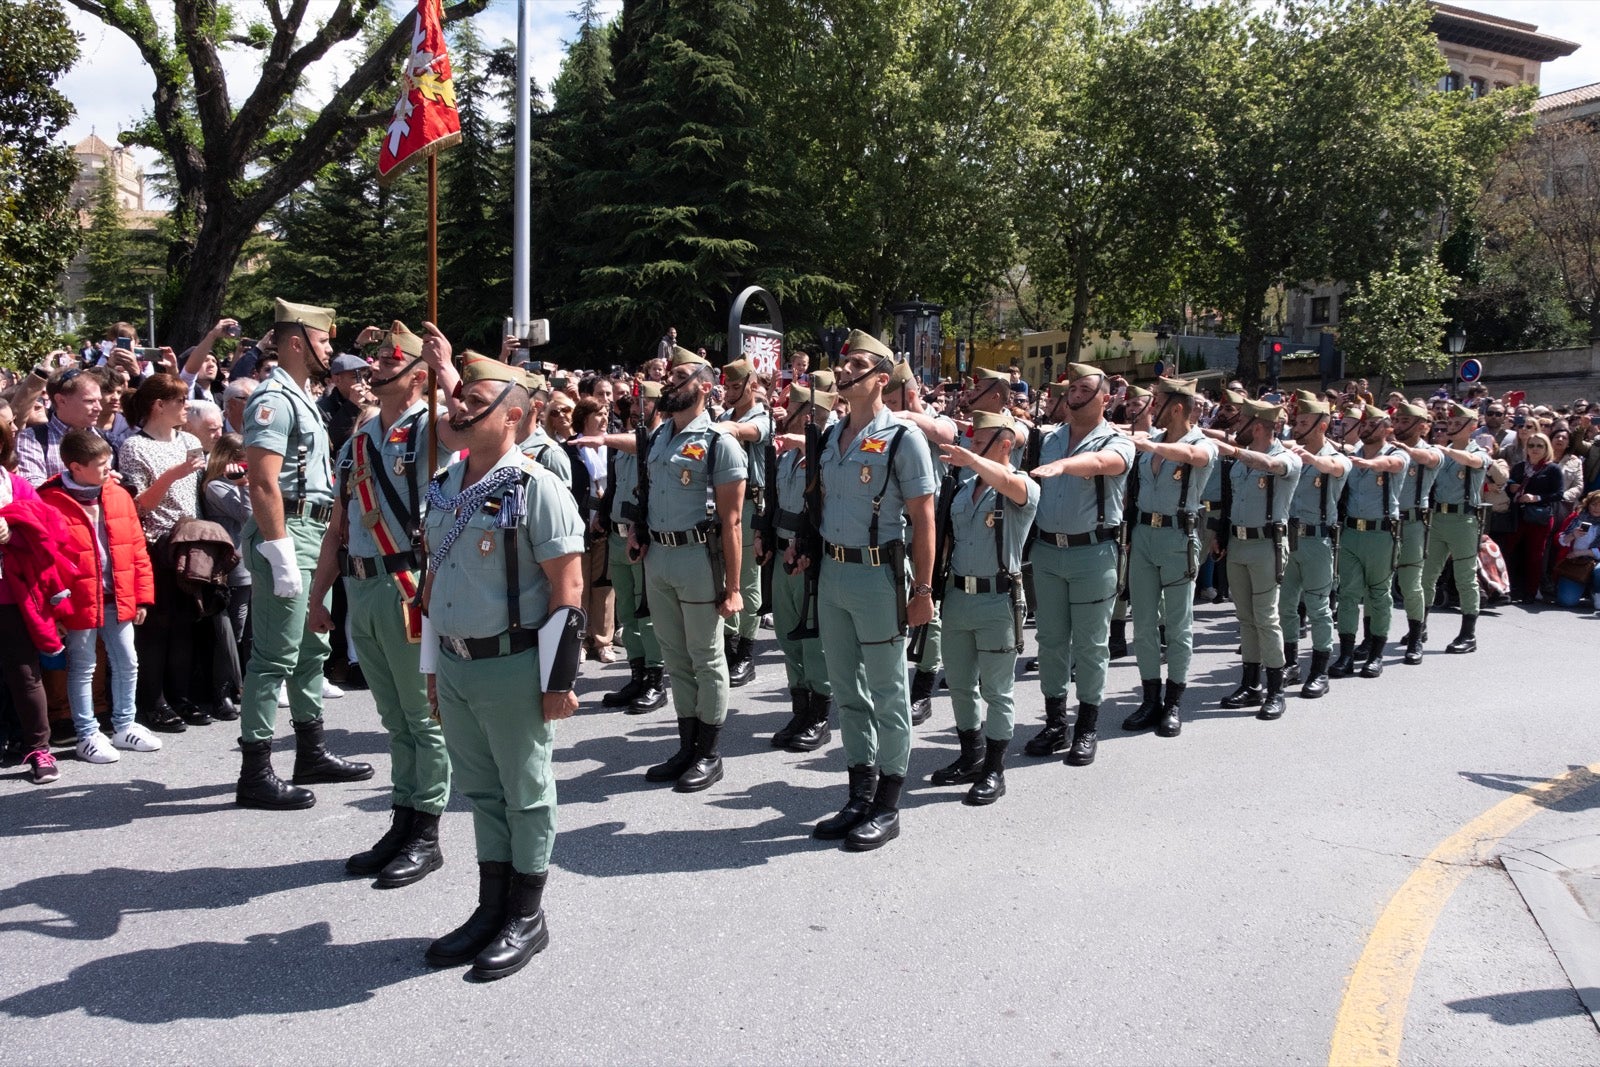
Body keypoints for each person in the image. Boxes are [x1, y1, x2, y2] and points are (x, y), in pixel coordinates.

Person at [418, 355, 585, 982]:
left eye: (474, 400)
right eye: (458, 398)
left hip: (514, 665)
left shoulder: (537, 487)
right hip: (459, 665)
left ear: (512, 416)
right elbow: (434, 583)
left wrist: (559, 682)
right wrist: (434, 669)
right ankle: (490, 907)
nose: (457, 407)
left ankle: (527, 914)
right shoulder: (448, 482)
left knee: (526, 793)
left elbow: (568, 591)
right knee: (482, 792)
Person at [309, 321, 457, 886]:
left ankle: (427, 830)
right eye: (377, 359)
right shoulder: (358, 439)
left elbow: (471, 430)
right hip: (362, 588)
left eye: (392, 361)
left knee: (424, 720)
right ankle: (402, 819)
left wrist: (447, 368)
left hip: (407, 588)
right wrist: (318, 594)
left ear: (416, 376)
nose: (375, 366)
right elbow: (338, 528)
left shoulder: (431, 429)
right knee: (394, 718)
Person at [791, 332, 936, 851]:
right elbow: (822, 505)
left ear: (881, 378)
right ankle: (859, 793)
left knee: (889, 693)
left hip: (879, 576)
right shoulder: (829, 436)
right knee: (847, 691)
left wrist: (923, 590)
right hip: (833, 574)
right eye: (843, 361)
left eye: (856, 363)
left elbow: (924, 520)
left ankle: (889, 803)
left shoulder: (903, 438)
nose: (844, 369)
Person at [236, 298, 373, 810]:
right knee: (274, 656)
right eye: (322, 341)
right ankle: (255, 771)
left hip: (313, 530)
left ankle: (310, 751)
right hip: (288, 529)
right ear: (297, 342)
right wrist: (278, 551)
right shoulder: (272, 397)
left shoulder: (300, 396)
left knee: (313, 647)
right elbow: (263, 481)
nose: (329, 349)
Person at [630, 348, 745, 793]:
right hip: (659, 556)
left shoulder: (720, 443)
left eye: (679, 376)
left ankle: (710, 753)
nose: (669, 383)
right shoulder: (659, 437)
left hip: (698, 558)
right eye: (668, 375)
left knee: (706, 657)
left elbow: (732, 521)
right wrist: (639, 532)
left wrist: (733, 587)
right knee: (675, 657)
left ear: (704, 386)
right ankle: (686, 746)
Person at [1020, 366, 1134, 765]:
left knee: (1090, 644)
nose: (1075, 394)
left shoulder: (1118, 440)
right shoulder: (1047, 439)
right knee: (1050, 641)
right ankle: (1055, 723)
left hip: (1093, 552)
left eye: (1085, 388)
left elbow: (1108, 463)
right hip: (1048, 551)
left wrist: (1067, 465)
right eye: (1072, 388)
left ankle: (1086, 728)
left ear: (1106, 398)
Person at [930, 409, 1038, 804]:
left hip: (998, 599)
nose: (969, 448)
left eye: (978, 441)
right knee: (959, 684)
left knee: (997, 690)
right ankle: (970, 756)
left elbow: (1011, 484)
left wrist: (972, 460)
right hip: (959, 596)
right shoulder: (962, 487)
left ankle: (995, 769)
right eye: (971, 441)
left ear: (1004, 445)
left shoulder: (1021, 484)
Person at [39, 429, 160, 764]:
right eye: (101, 464)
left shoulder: (118, 494)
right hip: (76, 600)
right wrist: (56, 610)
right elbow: (45, 562)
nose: (109, 468)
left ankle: (124, 725)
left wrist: (142, 595)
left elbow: (137, 547)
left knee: (127, 661)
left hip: (118, 596)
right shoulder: (48, 499)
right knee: (83, 666)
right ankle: (88, 733)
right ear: (76, 467)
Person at [1122, 377, 1216, 739]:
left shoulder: (1201, 443)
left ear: (1176, 407)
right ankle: (1150, 698)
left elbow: (1195, 458)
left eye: (1157, 401)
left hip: (1179, 535)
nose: (1150, 407)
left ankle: (1174, 701)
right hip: (1144, 534)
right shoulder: (1155, 441)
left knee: (1177, 624)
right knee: (1143, 622)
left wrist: (1149, 445)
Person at [119, 374, 210, 730]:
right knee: (158, 628)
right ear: (160, 405)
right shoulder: (134, 447)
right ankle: (153, 702)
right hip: (156, 544)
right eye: (181, 401)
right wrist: (174, 473)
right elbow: (139, 505)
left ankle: (181, 697)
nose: (186, 406)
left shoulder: (189, 439)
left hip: (193, 542)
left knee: (186, 625)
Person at [1213, 400, 1303, 721]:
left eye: (1244, 422)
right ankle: (1250, 684)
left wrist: (1235, 452)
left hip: (1267, 544)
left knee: (1267, 618)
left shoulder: (1286, 458)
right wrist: (1221, 536)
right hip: (1239, 544)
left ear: (1260, 426)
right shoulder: (1238, 465)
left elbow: (1272, 466)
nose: (1237, 427)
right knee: (1246, 618)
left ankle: (1276, 690)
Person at [0, 416, 76, 785]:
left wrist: (13, 532)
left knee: (25, 673)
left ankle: (38, 749)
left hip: (14, 597)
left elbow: (49, 540)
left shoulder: (15, 486)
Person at [763, 384, 836, 750]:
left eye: (790, 405)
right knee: (789, 638)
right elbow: (773, 499)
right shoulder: (787, 454)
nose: (783, 408)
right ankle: (800, 709)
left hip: (808, 556)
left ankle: (819, 715)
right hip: (781, 552)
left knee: (813, 643)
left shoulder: (823, 453)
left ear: (807, 415)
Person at [595, 383, 668, 714]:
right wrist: (601, 515)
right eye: (634, 408)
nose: (637, 412)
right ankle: (637, 674)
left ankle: (655, 678)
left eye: (645, 406)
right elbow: (614, 484)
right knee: (627, 611)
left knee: (646, 612)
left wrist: (605, 439)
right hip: (616, 535)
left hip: (642, 538)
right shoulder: (624, 442)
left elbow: (643, 445)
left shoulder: (660, 439)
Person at [1330, 406, 1408, 678]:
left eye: (1373, 424)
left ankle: (1376, 655)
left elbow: (1392, 465)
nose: (1365, 428)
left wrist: (1370, 464)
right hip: (1352, 532)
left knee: (1379, 595)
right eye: (1364, 424)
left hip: (1381, 534)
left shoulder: (1396, 454)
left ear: (1388, 429)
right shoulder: (1351, 455)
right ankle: (1346, 655)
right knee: (1348, 595)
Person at [1281, 397, 1350, 698]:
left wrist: (1308, 458)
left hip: (1318, 540)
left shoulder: (1337, 457)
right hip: (1289, 539)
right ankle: (1290, 663)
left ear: (1322, 425)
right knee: (1285, 607)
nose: (1298, 427)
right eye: (1297, 422)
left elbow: (1331, 467)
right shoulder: (1291, 452)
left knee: (1319, 607)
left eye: (1304, 423)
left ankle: (1320, 671)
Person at [712, 359, 772, 688]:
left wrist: (717, 429)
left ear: (751, 385)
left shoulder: (760, 416)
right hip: (723, 504)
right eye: (729, 387)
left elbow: (746, 432)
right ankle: (729, 643)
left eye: (739, 387)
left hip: (750, 505)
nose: (733, 392)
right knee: (724, 574)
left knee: (747, 579)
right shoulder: (722, 417)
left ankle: (746, 652)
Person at [1419, 403, 1491, 654]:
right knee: (1427, 575)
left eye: (1456, 423)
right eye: (1448, 423)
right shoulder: (1443, 452)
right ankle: (1419, 627)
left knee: (1465, 578)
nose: (1450, 427)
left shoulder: (1478, 452)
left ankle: (1468, 634)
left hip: (1464, 520)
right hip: (1439, 518)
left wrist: (1444, 452)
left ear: (1471, 427)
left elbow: (1473, 461)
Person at [201, 433, 253, 704]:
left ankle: (243, 686)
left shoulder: (238, 483)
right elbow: (247, 515)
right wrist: (244, 485)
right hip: (234, 567)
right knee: (233, 632)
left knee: (249, 634)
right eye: (244, 462)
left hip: (253, 564)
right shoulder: (216, 486)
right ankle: (223, 690)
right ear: (230, 460)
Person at [1387, 403, 1440, 663]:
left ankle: (1416, 635)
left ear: (1422, 426)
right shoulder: (1388, 448)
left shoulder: (1431, 451)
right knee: (1378, 584)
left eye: (1404, 421)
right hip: (1386, 522)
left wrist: (1403, 449)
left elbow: (1427, 459)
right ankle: (1373, 638)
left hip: (1413, 522)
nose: (1398, 425)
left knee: (1410, 583)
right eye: (1396, 420)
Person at [572, 396, 618, 663]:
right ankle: (579, 641)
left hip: (605, 525)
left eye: (606, 413)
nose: (604, 419)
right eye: (598, 414)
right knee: (579, 587)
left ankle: (603, 641)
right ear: (584, 417)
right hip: (579, 526)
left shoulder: (613, 448)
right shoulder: (571, 448)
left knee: (604, 585)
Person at [16, 367, 106, 487]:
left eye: (98, 400)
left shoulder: (106, 438)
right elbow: (33, 486)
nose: (98, 408)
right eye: (89, 401)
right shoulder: (32, 438)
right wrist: (80, 489)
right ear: (61, 400)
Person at [1505, 432, 1564, 603]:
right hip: (1517, 515)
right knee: (1508, 551)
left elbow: (1559, 494)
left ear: (1546, 448)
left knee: (1535, 556)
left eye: (1540, 445)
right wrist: (1511, 487)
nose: (1535, 449)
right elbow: (1508, 485)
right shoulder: (1519, 467)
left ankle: (1530, 592)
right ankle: (1506, 589)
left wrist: (1536, 498)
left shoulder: (1552, 469)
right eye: (1531, 445)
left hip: (1540, 517)